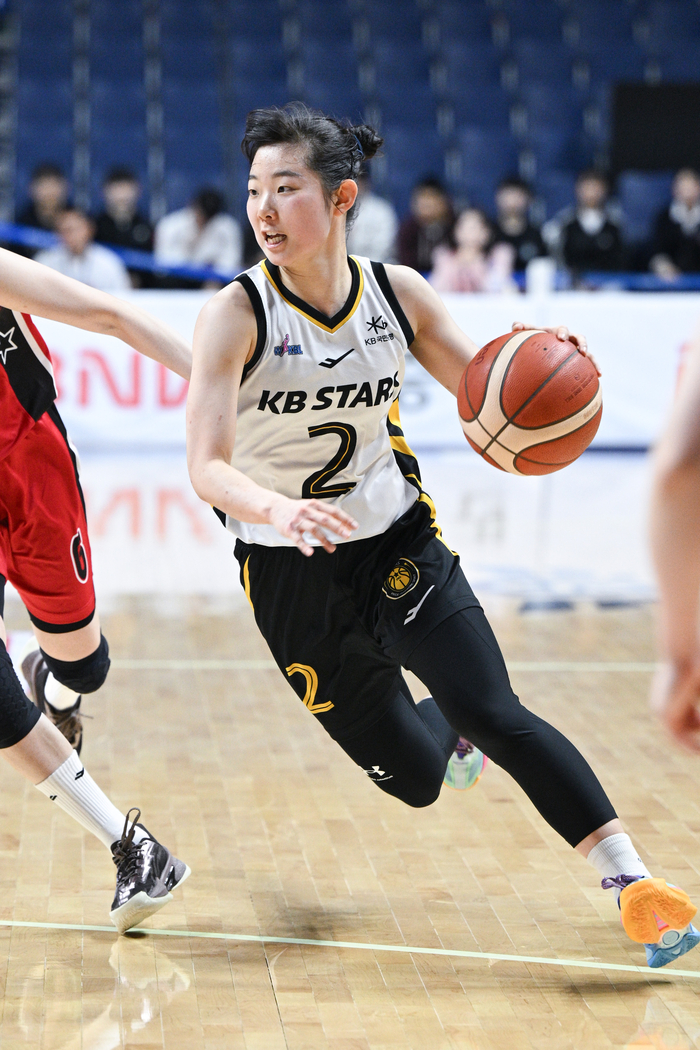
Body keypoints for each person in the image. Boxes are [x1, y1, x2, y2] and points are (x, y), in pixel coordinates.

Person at [186, 102, 700, 970]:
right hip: (288, 573)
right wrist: (277, 510)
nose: (264, 210)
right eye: (254, 190)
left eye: (286, 188)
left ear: (342, 198)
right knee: (419, 781)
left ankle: (637, 885)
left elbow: (490, 399)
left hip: (395, 544)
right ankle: (443, 733)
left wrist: (545, 368)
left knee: (495, 710)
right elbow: (206, 466)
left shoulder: (399, 295)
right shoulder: (236, 314)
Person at [0, 246, 192, 929]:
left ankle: (49, 678)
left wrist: (216, 382)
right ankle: (136, 848)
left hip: (32, 479)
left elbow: (109, 314)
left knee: (84, 666)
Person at [154, 187, 242, 285]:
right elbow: (163, 262)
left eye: (208, 219)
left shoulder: (228, 227)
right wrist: (190, 250)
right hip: (177, 278)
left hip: (211, 280)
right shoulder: (170, 225)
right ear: (193, 206)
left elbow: (231, 262)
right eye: (201, 214)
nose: (202, 220)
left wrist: (214, 274)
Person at [544, 169, 623, 276]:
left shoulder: (616, 223)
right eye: (587, 188)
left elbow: (621, 259)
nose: (592, 193)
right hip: (572, 281)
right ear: (578, 190)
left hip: (609, 281)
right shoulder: (564, 222)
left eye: (596, 188)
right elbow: (555, 255)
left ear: (605, 191)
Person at [35, 207, 131, 292]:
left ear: (89, 229)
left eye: (74, 229)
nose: (70, 235)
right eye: (64, 230)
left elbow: (123, 297)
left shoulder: (108, 262)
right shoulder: (45, 261)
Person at [429, 207, 516, 293]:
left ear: (486, 232)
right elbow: (435, 289)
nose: (470, 233)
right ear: (456, 232)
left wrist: (478, 263)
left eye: (475, 228)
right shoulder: (443, 256)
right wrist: (456, 264)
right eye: (465, 228)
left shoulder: (499, 254)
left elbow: (501, 288)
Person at [649, 168, 700, 280]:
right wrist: (664, 267)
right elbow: (658, 252)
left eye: (690, 187)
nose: (687, 192)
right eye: (683, 187)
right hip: (672, 280)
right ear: (675, 189)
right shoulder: (664, 217)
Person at [396, 176, 455, 273]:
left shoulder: (455, 226)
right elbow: (406, 266)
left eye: (431, 198)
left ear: (443, 202)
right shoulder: (408, 230)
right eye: (423, 199)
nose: (426, 203)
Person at [493, 177, 546, 273]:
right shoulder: (490, 233)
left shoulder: (536, 235)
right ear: (498, 198)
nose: (512, 201)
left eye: (518, 195)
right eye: (508, 194)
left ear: (529, 200)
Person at [346, 168, 398, 262]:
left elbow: (384, 245)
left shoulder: (382, 209)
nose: (357, 184)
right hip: (348, 264)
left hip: (378, 263)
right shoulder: (342, 208)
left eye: (360, 180)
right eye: (353, 180)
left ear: (367, 182)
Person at [17, 162, 69, 234]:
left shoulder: (78, 221)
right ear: (31, 189)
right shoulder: (21, 225)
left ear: (65, 187)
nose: (49, 193)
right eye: (44, 187)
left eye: (53, 186)